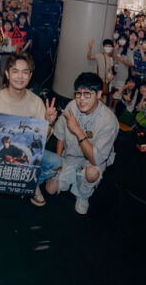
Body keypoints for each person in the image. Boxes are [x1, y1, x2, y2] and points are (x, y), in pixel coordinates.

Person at [0, 52, 61, 206]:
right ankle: (17, 181)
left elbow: (42, 141)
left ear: (30, 76)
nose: (20, 76)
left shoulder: (37, 103)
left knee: (56, 162)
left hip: (25, 154)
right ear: (7, 74)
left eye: (25, 72)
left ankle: (32, 183)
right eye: (15, 71)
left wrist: (48, 123)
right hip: (1, 156)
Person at [45, 72, 119, 214]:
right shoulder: (72, 106)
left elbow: (96, 159)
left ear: (98, 94)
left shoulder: (108, 121)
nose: (81, 99)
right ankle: (74, 176)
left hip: (93, 160)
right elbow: (60, 134)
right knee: (50, 188)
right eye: (78, 94)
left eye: (87, 94)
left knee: (91, 173)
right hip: (72, 155)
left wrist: (78, 132)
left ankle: (83, 195)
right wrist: (58, 161)